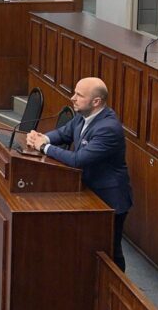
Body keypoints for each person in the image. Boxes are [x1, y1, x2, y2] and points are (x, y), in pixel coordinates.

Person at [25, 76, 133, 271]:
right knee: (89, 246)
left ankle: (117, 286)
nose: (72, 98)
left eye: (79, 95)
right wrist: (42, 138)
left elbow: (78, 160)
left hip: (109, 199)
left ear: (96, 102)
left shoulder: (108, 128)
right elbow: (63, 133)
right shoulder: (83, 116)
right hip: (88, 193)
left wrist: (43, 147)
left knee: (110, 251)